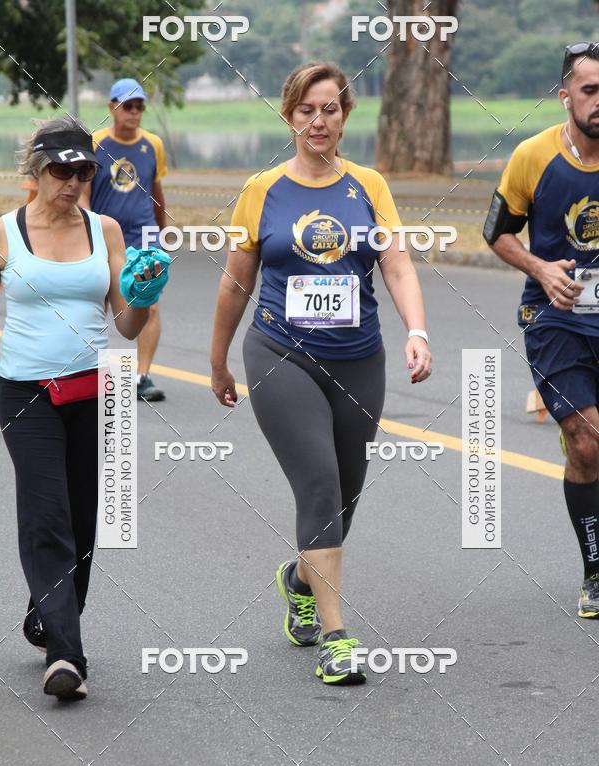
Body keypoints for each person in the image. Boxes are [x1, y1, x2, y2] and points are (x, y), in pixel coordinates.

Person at [210, 62, 431, 685]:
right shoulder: (262, 190)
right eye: (307, 109)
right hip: (281, 352)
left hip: (359, 357)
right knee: (318, 483)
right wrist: (218, 358)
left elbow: (398, 265)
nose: (319, 120)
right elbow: (235, 282)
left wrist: (416, 330)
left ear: (343, 117)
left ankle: (300, 578)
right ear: (289, 116)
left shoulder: (370, 185)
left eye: (330, 109)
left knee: (345, 495)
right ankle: (338, 638)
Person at [0, 118, 166, 700]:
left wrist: (143, 296)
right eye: (60, 170)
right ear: (36, 170)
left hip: (98, 386)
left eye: (83, 170)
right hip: (23, 390)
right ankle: (66, 655)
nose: (72, 181)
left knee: (84, 517)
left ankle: (49, 613)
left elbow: (126, 324)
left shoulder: (107, 230)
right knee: (46, 515)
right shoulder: (6, 232)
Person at [484, 42, 599, 619]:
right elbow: (497, 234)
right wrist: (539, 266)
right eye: (590, 91)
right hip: (555, 318)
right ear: (565, 97)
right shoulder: (533, 157)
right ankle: (596, 572)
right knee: (587, 440)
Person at [80, 77, 168, 402]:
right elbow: (83, 195)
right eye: (127, 105)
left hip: (144, 234)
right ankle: (88, 371)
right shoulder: (96, 143)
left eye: (139, 106)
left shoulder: (153, 144)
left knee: (151, 304)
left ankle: (143, 376)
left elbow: (157, 193)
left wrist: (161, 233)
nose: (134, 112)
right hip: (106, 235)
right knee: (98, 303)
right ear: (112, 107)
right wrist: (89, 231)